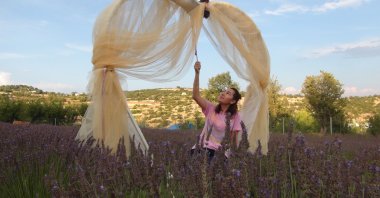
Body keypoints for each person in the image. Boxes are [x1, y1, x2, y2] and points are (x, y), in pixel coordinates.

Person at [191, 61, 242, 161]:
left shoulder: (235, 116)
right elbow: (195, 96)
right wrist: (197, 73)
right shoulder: (211, 108)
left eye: (228, 93)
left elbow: (234, 139)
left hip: (219, 153)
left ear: (233, 101)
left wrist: (235, 157)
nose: (223, 93)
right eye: (223, 91)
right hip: (201, 148)